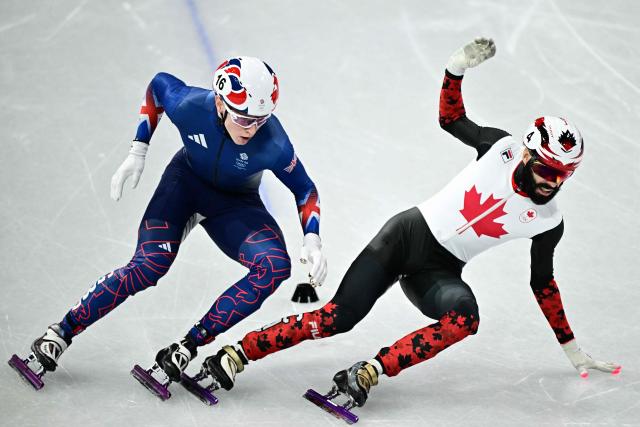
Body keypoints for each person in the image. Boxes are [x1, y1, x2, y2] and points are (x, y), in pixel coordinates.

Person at [197, 38, 621, 407]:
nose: (552, 182)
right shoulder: (501, 147)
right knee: (333, 320)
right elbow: (451, 119)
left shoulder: (549, 220)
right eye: (548, 169)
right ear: (528, 155)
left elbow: (542, 284)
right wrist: (455, 70)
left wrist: (570, 345)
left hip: (439, 271)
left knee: (465, 319)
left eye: (564, 175)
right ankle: (236, 354)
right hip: (404, 237)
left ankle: (368, 371)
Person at [13, 56, 328, 388]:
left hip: (236, 206)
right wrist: (138, 149)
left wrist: (312, 239)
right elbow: (158, 85)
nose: (252, 129)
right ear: (220, 104)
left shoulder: (274, 142)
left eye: (260, 120)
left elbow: (305, 189)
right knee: (150, 265)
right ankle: (61, 332)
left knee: (275, 266)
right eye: (243, 119)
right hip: (184, 186)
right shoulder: (189, 104)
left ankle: (187, 346)